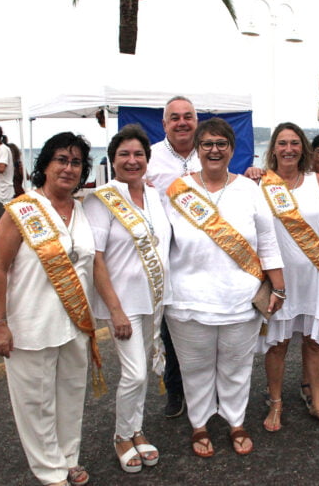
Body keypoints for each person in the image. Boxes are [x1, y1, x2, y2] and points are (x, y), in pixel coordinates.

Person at [164, 118, 284, 458]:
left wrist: (279, 288)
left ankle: (235, 421)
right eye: (207, 144)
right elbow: (161, 244)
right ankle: (199, 423)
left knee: (236, 365)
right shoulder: (177, 191)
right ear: (197, 150)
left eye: (221, 144)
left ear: (232, 149)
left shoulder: (250, 190)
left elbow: (268, 244)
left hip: (240, 299)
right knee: (195, 368)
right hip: (188, 301)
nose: (214, 150)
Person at [0, 132, 101, 486]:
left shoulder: (82, 210)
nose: (68, 168)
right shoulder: (22, 209)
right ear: (45, 165)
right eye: (61, 160)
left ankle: (68, 458)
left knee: (69, 397)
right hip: (31, 324)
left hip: (74, 325)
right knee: (35, 403)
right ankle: (49, 471)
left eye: (76, 162)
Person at [83, 125, 171, 473]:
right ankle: (122, 435)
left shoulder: (153, 195)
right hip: (122, 304)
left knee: (144, 371)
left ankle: (137, 428)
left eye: (138, 154)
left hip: (155, 299)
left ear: (147, 160)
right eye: (124, 155)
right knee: (134, 373)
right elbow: (96, 258)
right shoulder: (101, 199)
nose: (132, 161)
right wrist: (115, 311)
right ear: (113, 160)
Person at [259, 123, 319, 432]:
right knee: (278, 344)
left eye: (294, 143)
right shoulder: (261, 184)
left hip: (316, 273)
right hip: (280, 278)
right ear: (273, 149)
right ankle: (276, 403)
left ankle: (318, 403)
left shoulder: (317, 181)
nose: (288, 149)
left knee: (314, 342)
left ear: (302, 148)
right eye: (282, 143)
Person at [146, 95, 200, 419]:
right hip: (166, 254)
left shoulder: (210, 153)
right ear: (165, 124)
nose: (182, 122)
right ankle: (176, 389)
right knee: (169, 327)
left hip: (202, 253)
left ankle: (206, 389)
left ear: (196, 121)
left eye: (188, 116)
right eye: (175, 117)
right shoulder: (149, 158)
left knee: (202, 323)